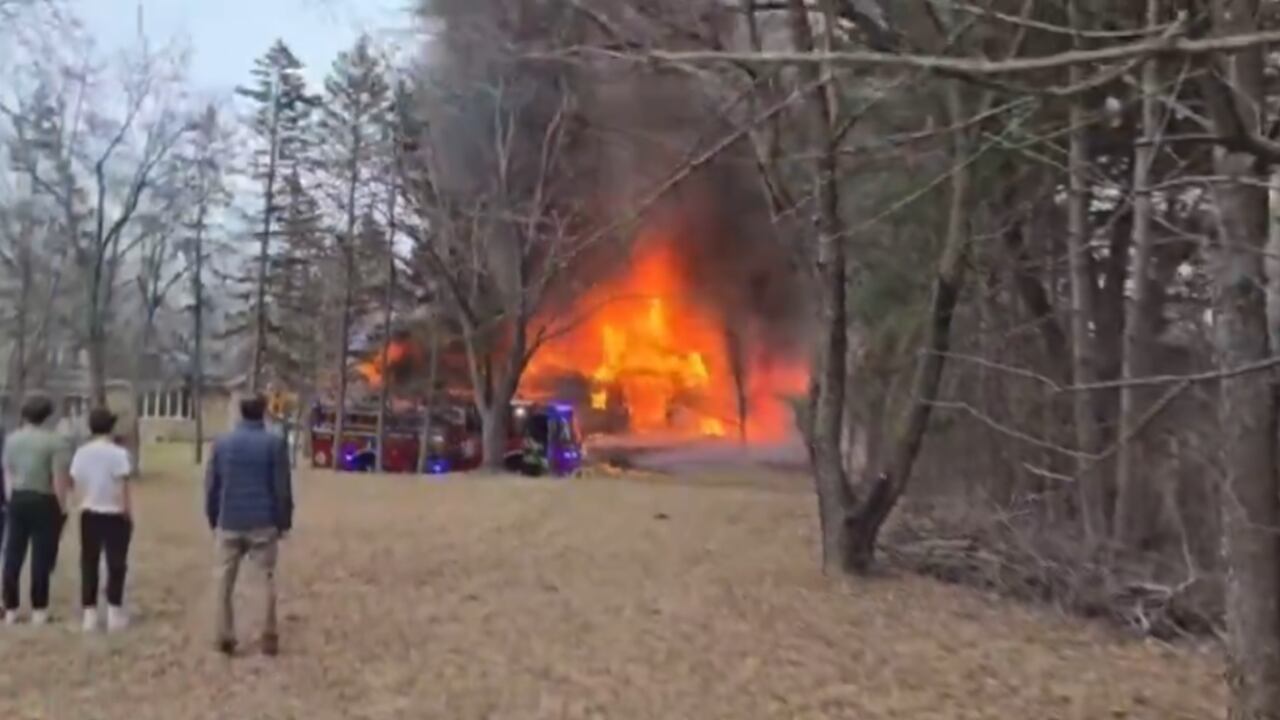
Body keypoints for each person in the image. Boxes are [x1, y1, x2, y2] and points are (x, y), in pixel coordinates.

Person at [205, 395, 293, 657]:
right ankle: (267, 635)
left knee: (223, 581)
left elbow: (212, 485)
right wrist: (284, 521)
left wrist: (213, 516)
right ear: (264, 412)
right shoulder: (274, 444)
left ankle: (224, 634)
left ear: (241, 413)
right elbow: (282, 487)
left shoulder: (222, 444)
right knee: (264, 579)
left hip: (230, 519)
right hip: (263, 521)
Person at [1, 394, 70, 625]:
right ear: (47, 415)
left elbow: (7, 472)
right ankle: (39, 609)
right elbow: (59, 479)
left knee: (13, 554)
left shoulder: (12, 440)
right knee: (41, 557)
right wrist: (61, 508)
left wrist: (12, 498)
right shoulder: (55, 442)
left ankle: (10, 607)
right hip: (43, 499)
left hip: (18, 498)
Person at [70, 408, 133, 632]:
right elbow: (123, 486)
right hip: (114, 512)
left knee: (89, 561)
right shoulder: (118, 454)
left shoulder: (81, 453)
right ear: (111, 427)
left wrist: (79, 504)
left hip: (89, 511)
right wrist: (127, 511)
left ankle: (90, 613)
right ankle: (114, 611)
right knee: (116, 563)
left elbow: (77, 483)